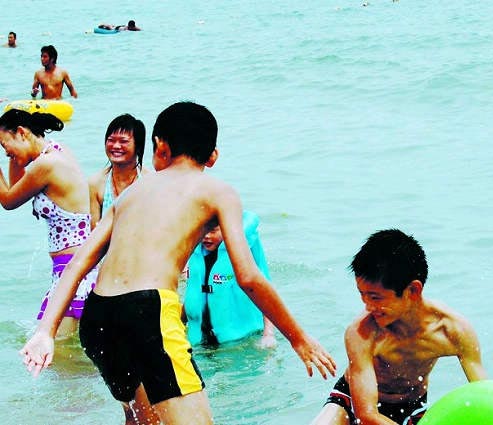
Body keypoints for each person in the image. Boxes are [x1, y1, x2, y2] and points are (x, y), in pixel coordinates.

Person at [20, 101, 336, 425]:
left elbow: (77, 264)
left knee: (141, 421)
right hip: (148, 312)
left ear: (160, 147)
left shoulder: (130, 194)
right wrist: (298, 338)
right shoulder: (218, 191)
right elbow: (248, 277)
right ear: (213, 156)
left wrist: (46, 331)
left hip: (98, 318)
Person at [310, 229, 487, 425]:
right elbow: (366, 414)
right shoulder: (362, 333)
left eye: (375, 297)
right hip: (353, 401)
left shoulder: (453, 331)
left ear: (413, 290)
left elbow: (484, 395)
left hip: (412, 407)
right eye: (362, 294)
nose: (367, 307)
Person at [0, 109, 97, 336]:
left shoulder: (46, 165)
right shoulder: (56, 151)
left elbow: (8, 200)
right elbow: (17, 187)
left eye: (5, 145)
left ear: (21, 132)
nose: (5, 153)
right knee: (67, 346)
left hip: (72, 269)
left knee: (59, 351)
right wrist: (16, 156)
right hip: (79, 266)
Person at [182, 211, 276, 348]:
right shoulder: (196, 251)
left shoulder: (241, 252)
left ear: (227, 229)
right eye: (203, 230)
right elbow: (194, 293)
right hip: (198, 340)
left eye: (213, 231)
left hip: (239, 340)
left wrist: (268, 334)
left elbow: (266, 293)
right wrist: (179, 324)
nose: (206, 236)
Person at [88, 113, 147, 229]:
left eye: (123, 141)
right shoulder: (95, 184)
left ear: (138, 146)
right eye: (111, 140)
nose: (115, 146)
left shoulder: (149, 181)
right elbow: (93, 231)